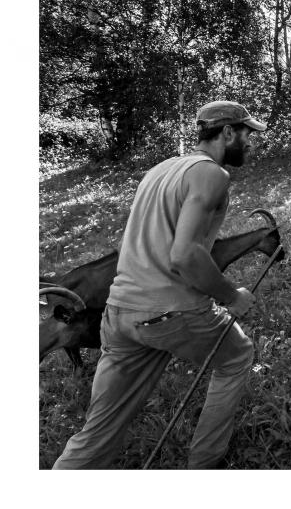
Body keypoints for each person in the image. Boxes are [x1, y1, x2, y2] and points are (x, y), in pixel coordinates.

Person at [54, 100, 267, 469]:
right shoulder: (212, 174)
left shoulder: (160, 170)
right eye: (247, 133)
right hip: (171, 310)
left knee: (99, 429)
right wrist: (231, 296)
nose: (251, 142)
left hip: (118, 312)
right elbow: (184, 255)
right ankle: (203, 465)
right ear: (227, 132)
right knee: (236, 356)